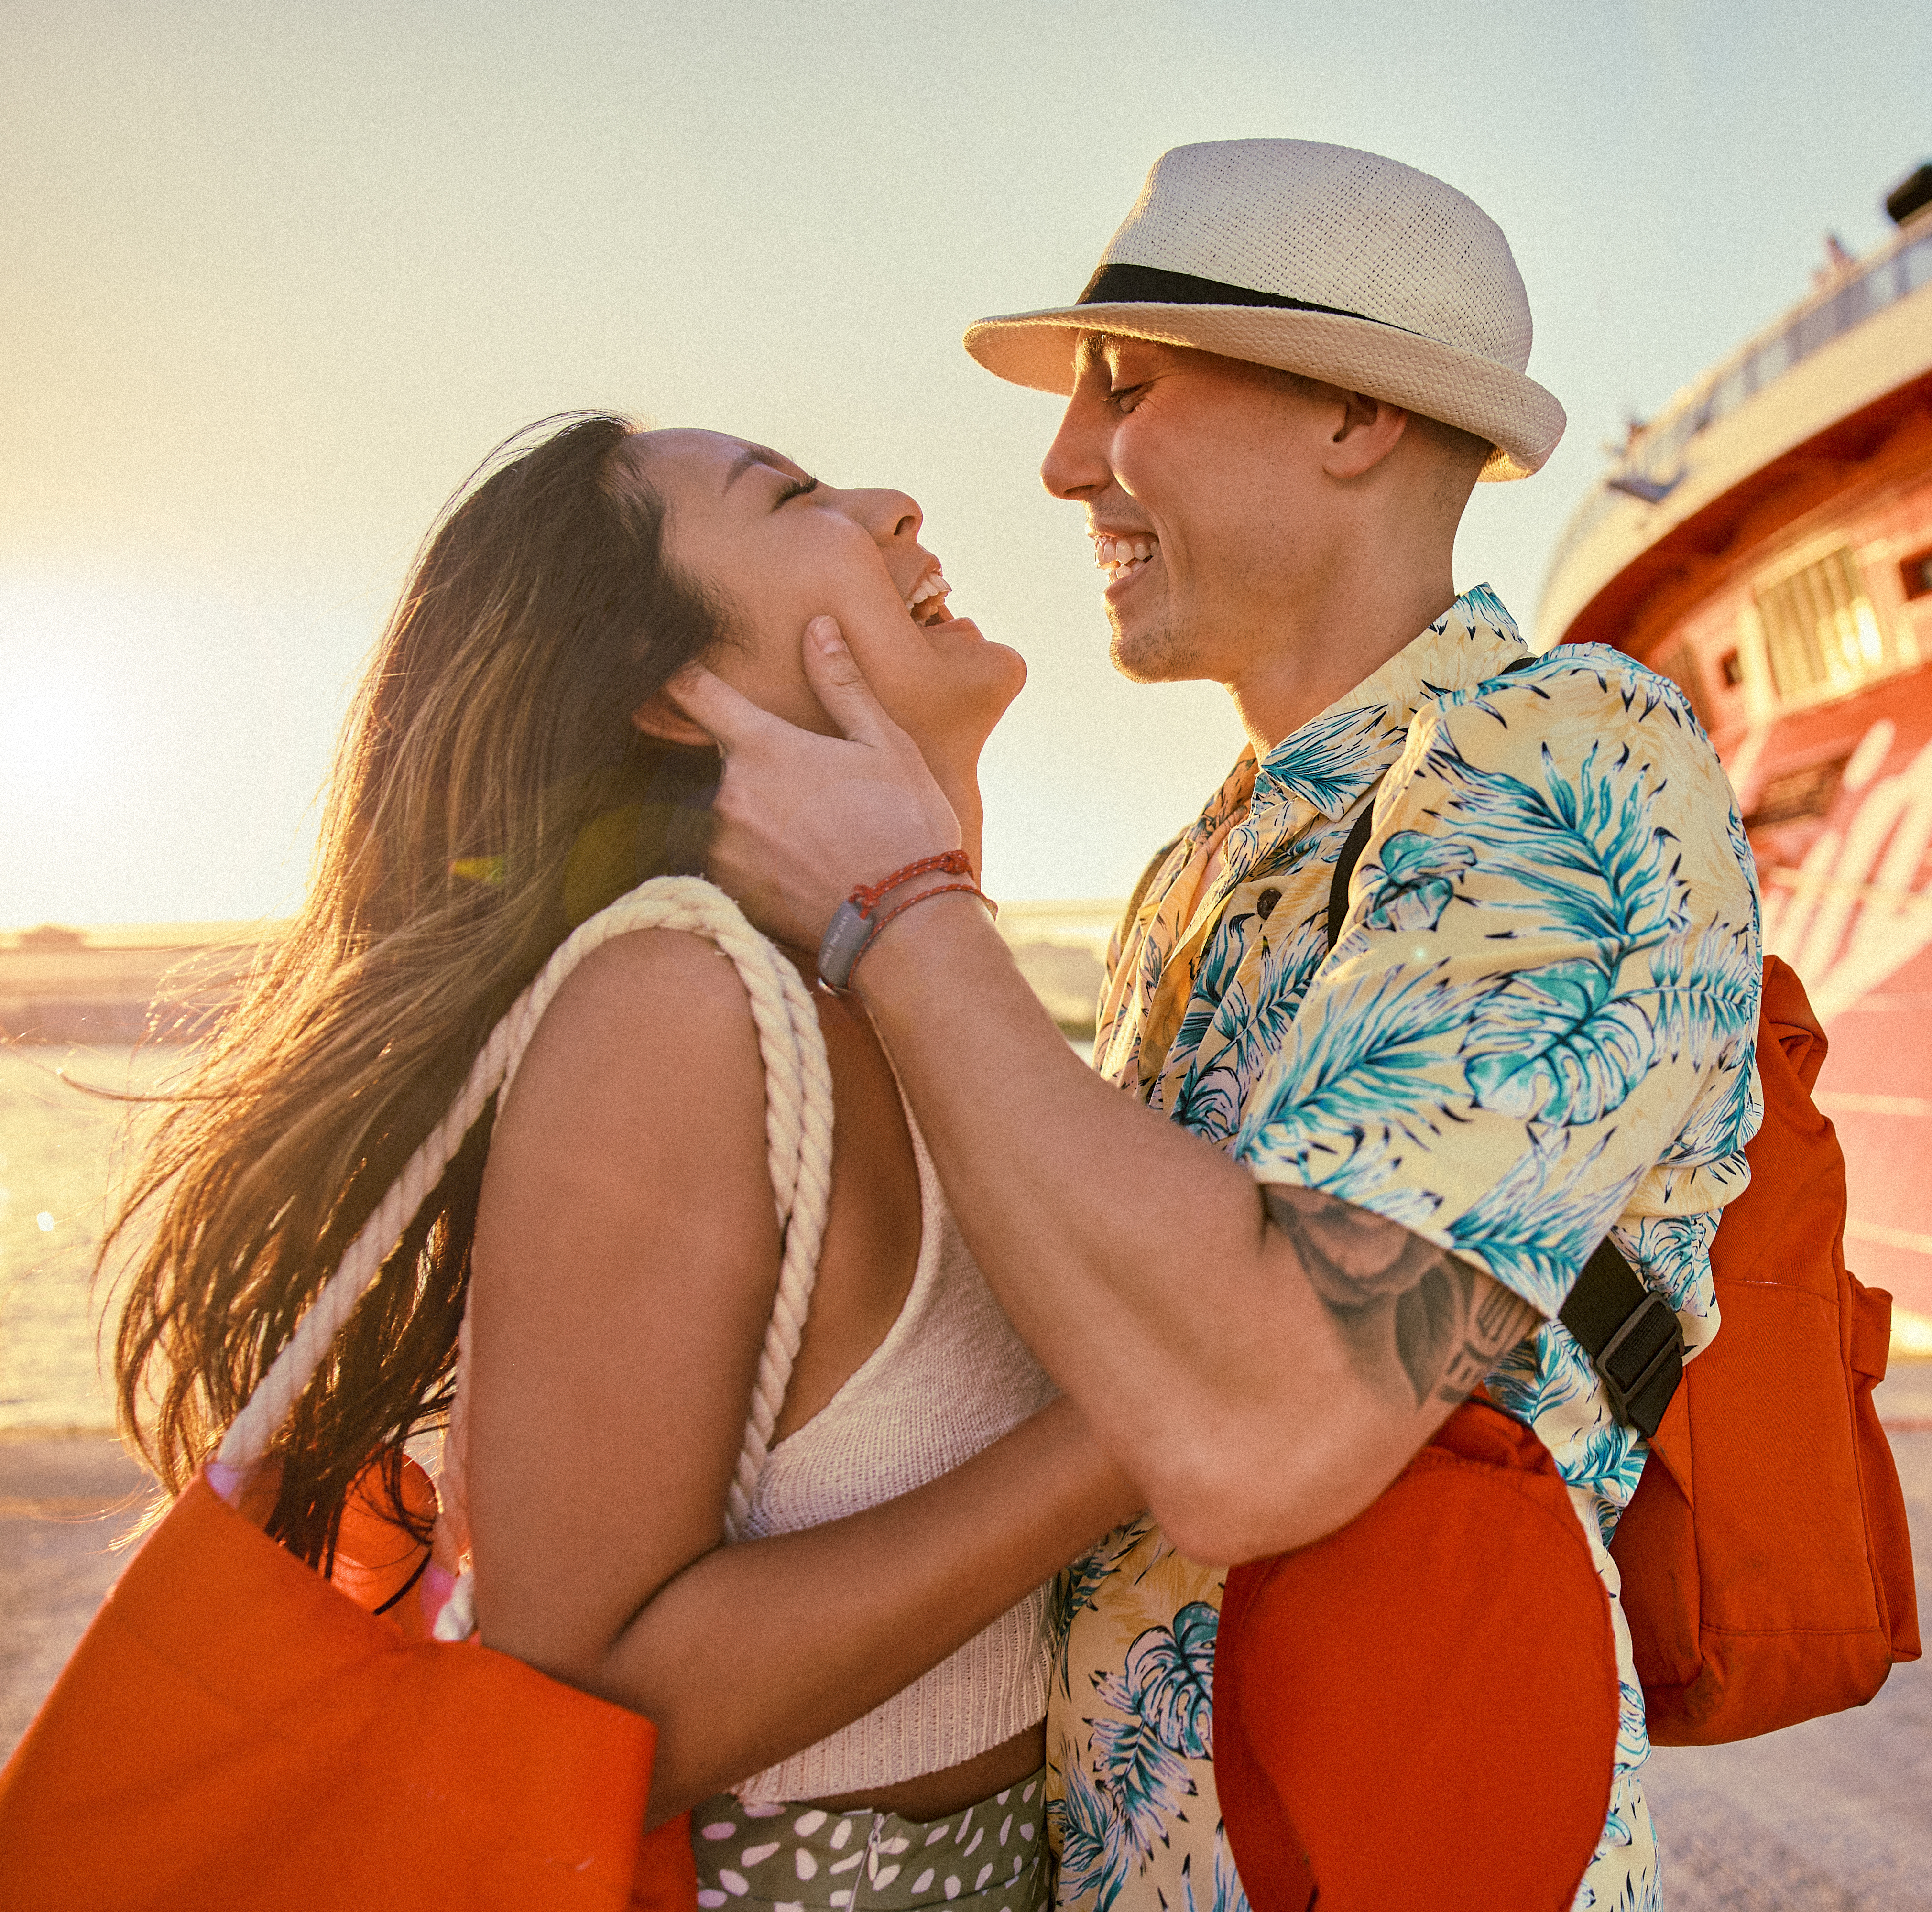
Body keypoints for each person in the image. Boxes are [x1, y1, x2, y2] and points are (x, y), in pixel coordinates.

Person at [674, 141, 1765, 1910]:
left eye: (1132, 385)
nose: (1060, 459)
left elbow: (1275, 1430)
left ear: (1351, 412)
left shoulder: (1563, 748)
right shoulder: (1212, 856)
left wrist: (904, 909)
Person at [105, 412, 1137, 1911]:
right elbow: (580, 1703)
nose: (896, 501)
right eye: (792, 496)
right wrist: (1142, 1431)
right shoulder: (680, 1002)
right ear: (676, 691)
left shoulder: (887, 996)